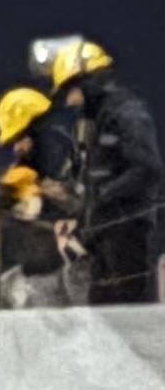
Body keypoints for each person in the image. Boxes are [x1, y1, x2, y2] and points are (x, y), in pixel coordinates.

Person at [38, 36, 165, 304]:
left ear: (89, 82)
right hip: (103, 242)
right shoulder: (94, 125)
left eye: (71, 90)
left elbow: (148, 170)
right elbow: (95, 186)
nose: (70, 101)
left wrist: (101, 200)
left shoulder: (127, 113)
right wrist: (80, 219)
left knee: (130, 322)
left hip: (129, 238)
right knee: (104, 321)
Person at [0, 82, 87, 307]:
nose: (16, 149)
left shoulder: (64, 153)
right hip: (41, 273)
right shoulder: (21, 177)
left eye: (19, 138)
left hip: (69, 271)